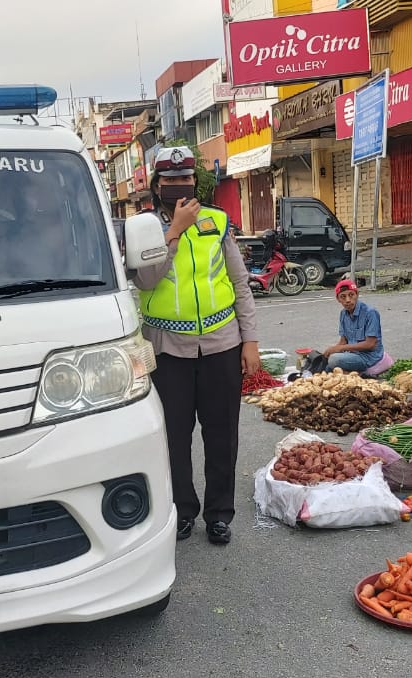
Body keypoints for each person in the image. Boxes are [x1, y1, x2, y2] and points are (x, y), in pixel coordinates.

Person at [133, 146, 259, 545]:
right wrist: (173, 232)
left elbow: (240, 284)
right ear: (157, 186)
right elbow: (146, 280)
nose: (178, 185)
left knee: (222, 435)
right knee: (174, 437)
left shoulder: (217, 221)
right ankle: (182, 511)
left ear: (195, 182)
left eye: (185, 178)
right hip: (168, 351)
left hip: (221, 344)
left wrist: (250, 340)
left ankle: (219, 514)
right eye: (170, 180)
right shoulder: (143, 228)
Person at [318, 278, 385, 373]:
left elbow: (370, 344)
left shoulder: (370, 313)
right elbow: (343, 341)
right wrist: (331, 350)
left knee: (334, 360)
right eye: (343, 297)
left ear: (357, 294)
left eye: (351, 295)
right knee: (326, 365)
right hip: (352, 354)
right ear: (338, 299)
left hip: (368, 357)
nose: (348, 300)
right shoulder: (343, 314)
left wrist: (340, 348)